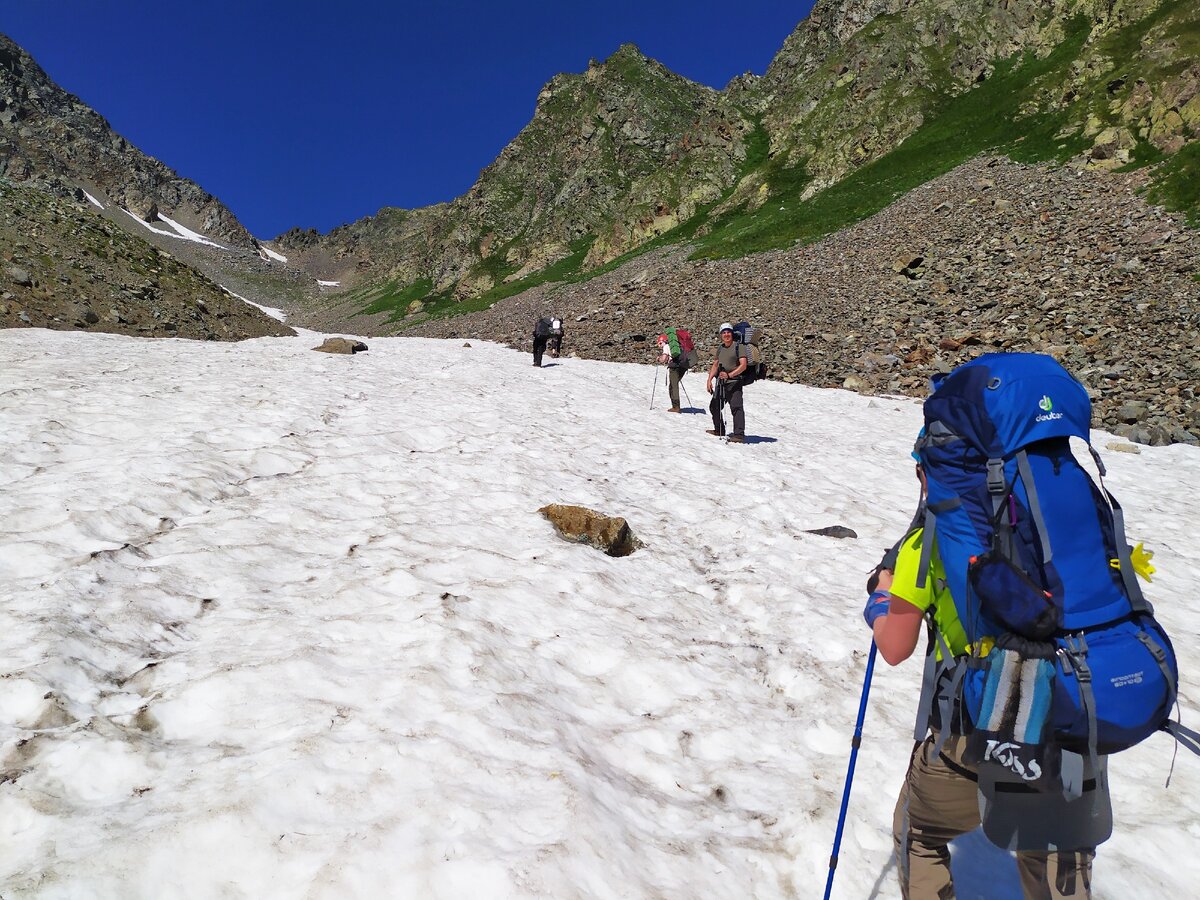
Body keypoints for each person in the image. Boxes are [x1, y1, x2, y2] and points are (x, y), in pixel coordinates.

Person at [864, 458, 1095, 899]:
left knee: (918, 834)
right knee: (1052, 849)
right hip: (1070, 720)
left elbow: (895, 647)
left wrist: (879, 599)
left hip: (980, 728)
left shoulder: (931, 540)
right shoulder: (1066, 523)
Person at [705, 322, 747, 442]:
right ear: (721, 335)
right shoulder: (720, 348)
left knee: (736, 408)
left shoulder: (739, 347)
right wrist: (709, 379)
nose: (726, 334)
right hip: (722, 383)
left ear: (732, 333)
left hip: (735, 382)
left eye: (728, 332)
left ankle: (739, 435)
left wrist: (729, 375)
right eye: (724, 332)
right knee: (714, 406)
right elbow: (715, 364)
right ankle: (719, 430)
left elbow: (743, 366)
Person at [656, 333, 686, 413]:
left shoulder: (666, 346)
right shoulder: (674, 346)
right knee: (674, 385)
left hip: (674, 367)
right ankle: (675, 406)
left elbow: (664, 359)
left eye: (659, 343)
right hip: (682, 366)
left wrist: (659, 359)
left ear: (663, 341)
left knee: (673, 386)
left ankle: (676, 407)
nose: (659, 345)